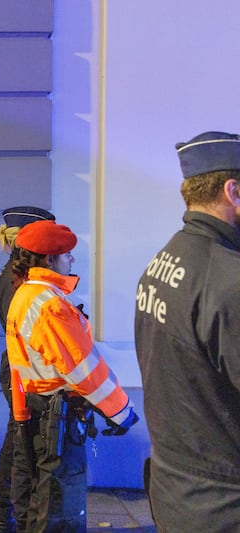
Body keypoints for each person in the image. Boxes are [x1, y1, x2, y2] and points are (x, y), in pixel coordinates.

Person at [135, 131, 240, 530]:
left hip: (178, 491)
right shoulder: (228, 279)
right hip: (224, 503)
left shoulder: (166, 260)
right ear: (233, 191)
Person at [5, 219, 138, 531]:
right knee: (59, 508)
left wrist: (21, 414)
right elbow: (83, 368)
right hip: (58, 417)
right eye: (67, 255)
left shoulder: (25, 295)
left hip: (39, 410)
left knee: (44, 501)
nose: (72, 260)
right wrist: (121, 411)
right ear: (49, 259)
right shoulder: (50, 304)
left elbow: (17, 365)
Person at [0, 206, 55, 533]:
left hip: (19, 365)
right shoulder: (16, 278)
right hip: (21, 367)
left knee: (18, 441)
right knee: (18, 444)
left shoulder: (14, 274)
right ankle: (6, 518)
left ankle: (7, 517)